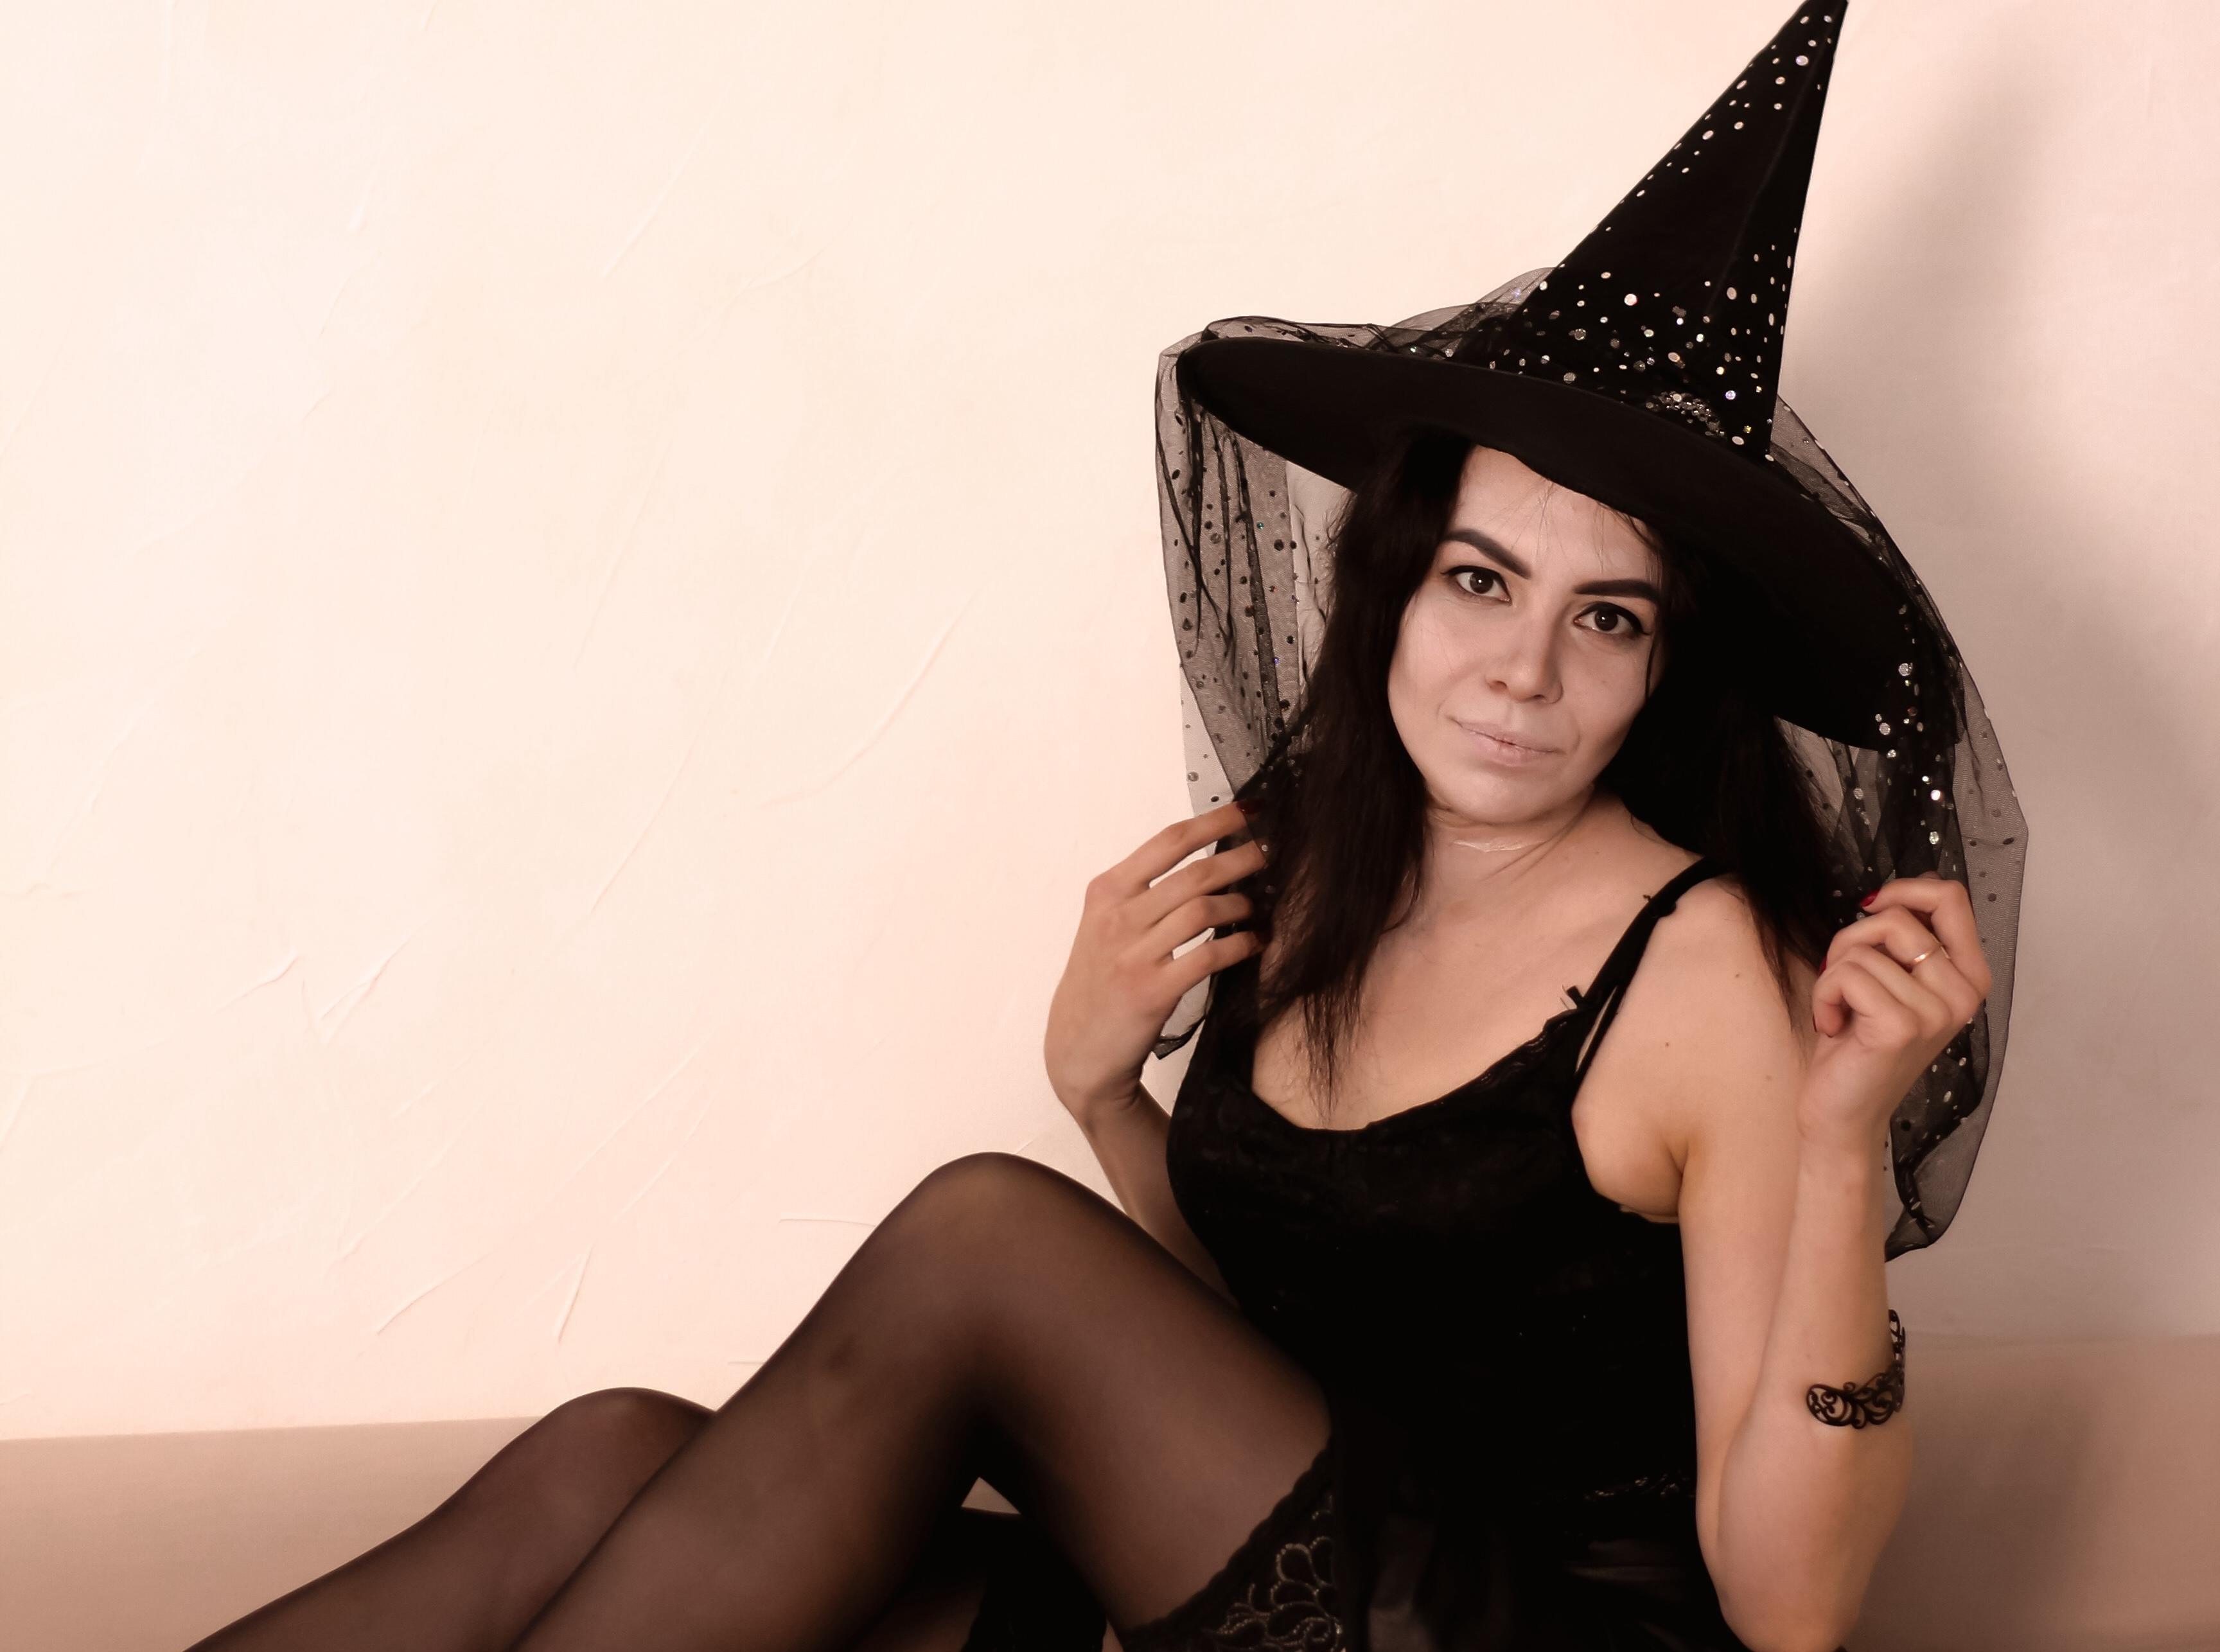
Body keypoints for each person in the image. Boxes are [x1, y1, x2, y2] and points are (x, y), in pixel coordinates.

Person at [183, 4, 2027, 1651]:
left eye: (1605, 617)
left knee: (987, 1239)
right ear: (1390, 587)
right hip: (1302, 1588)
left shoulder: (1703, 969)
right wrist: (1104, 1100)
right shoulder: (1315, 866)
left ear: (1662, 675)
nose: (1522, 669)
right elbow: (1276, 1369)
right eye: (1480, 578)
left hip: (1533, 1622)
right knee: (612, 1455)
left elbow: (1792, 1612)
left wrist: (1839, 1149)